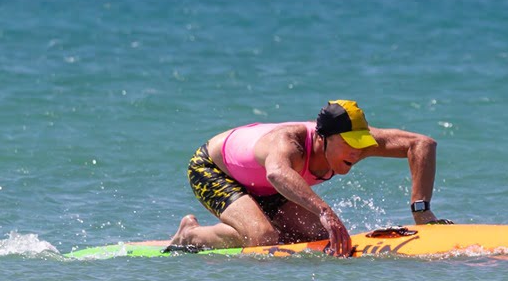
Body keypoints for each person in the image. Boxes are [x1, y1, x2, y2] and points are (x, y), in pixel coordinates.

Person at [167, 100, 449, 256]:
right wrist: (324, 210)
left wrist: (421, 210)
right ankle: (191, 235)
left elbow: (422, 145)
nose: (357, 151)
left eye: (361, 142)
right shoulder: (290, 141)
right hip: (215, 170)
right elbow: (278, 173)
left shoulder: (357, 145)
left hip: (268, 184)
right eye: (349, 143)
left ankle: (256, 219)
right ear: (322, 139)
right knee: (265, 238)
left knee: (316, 235)